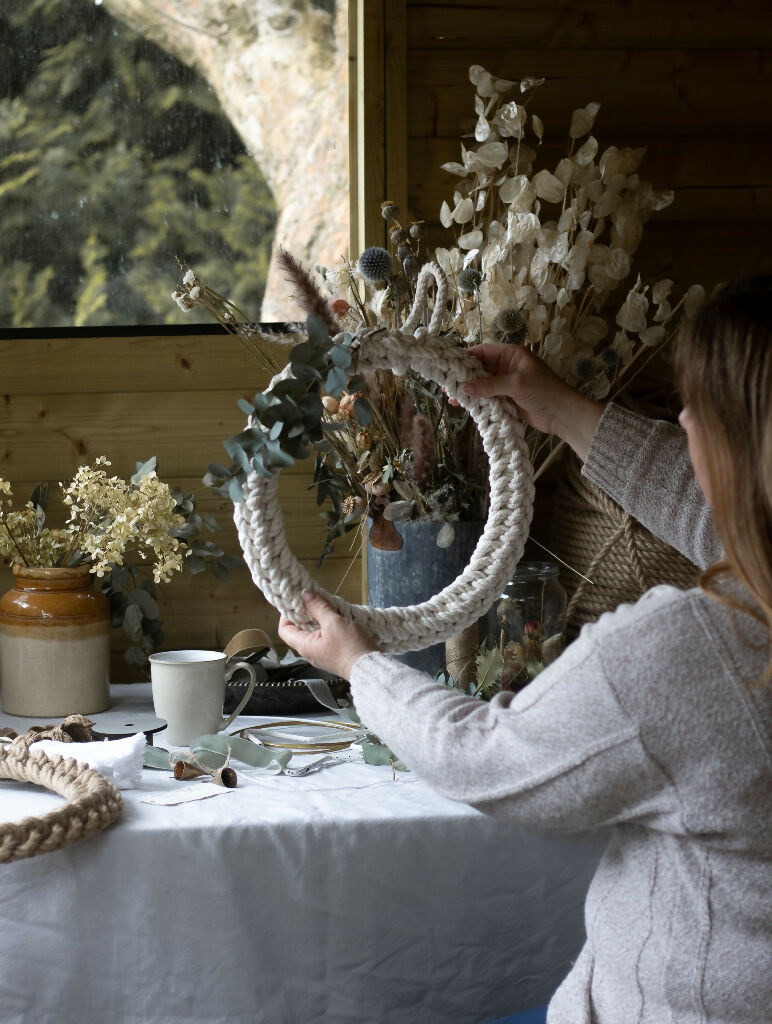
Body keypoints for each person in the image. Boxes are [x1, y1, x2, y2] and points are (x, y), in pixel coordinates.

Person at [278, 276, 772, 1023]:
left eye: (695, 411)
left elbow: (484, 756)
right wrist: (568, 411)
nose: (681, 422)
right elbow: (723, 517)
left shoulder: (688, 652)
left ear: (739, 452)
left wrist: (361, 667)